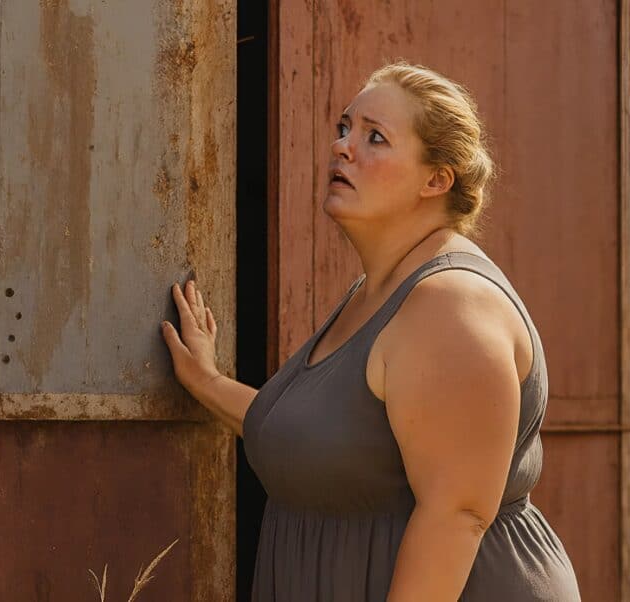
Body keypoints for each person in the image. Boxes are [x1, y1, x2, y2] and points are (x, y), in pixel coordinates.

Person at [160, 60, 581, 601]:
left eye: (374, 137)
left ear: (436, 180)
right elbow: (319, 439)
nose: (342, 147)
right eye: (344, 128)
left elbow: (455, 515)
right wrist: (206, 381)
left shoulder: (448, 306)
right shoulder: (377, 290)